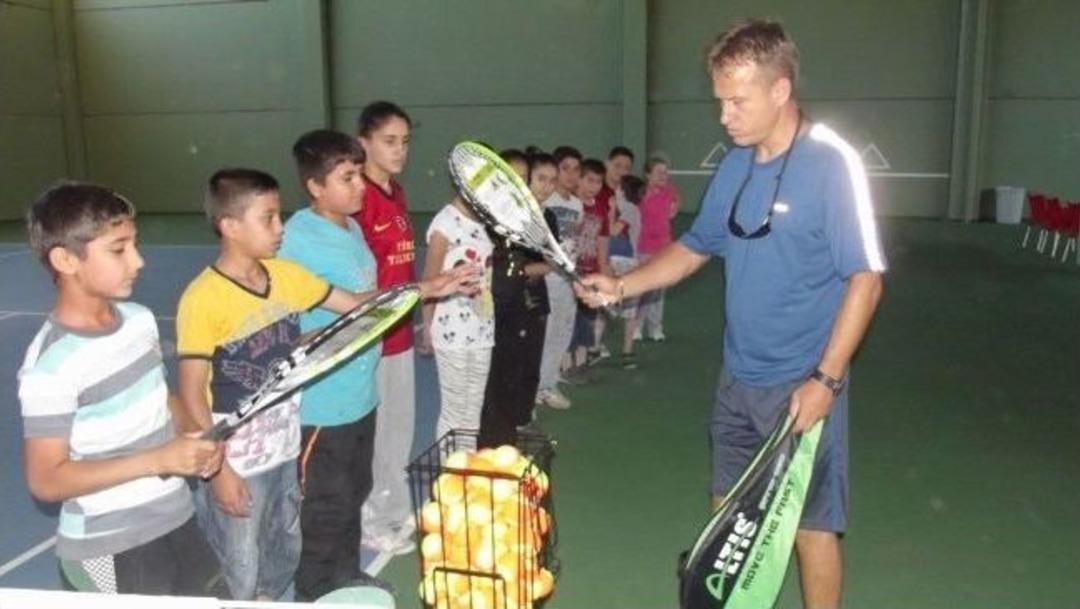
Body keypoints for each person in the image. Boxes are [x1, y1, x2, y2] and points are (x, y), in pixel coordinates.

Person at [577, 19, 885, 609]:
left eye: (737, 101)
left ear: (780, 90)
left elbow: (866, 280)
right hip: (738, 379)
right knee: (730, 519)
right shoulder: (736, 165)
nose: (725, 115)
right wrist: (620, 286)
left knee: (810, 528)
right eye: (720, 100)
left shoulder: (831, 164)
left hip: (803, 384)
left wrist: (826, 379)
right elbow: (695, 247)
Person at [176, 168, 474, 600]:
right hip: (238, 460)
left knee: (282, 556)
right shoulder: (202, 299)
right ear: (230, 226)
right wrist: (219, 470)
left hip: (283, 450)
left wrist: (427, 287)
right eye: (269, 218)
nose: (280, 228)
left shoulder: (285, 277)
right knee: (240, 567)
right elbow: (190, 392)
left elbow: (356, 307)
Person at [19, 182, 228, 596]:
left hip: (177, 520)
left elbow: (159, 398)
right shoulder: (50, 368)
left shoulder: (139, 320)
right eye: (119, 249)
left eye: (135, 244)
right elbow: (46, 480)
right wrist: (157, 459)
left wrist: (195, 437)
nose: (138, 260)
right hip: (110, 547)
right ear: (65, 259)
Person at [278, 131, 388, 595]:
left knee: (353, 493)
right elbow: (281, 321)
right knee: (325, 503)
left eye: (360, 173)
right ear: (315, 187)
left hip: (361, 393)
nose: (361, 185)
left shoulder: (352, 225)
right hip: (323, 403)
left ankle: (345, 575)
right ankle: (316, 588)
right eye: (348, 177)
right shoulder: (295, 240)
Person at [353, 101, 419, 553]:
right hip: (372, 336)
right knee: (375, 434)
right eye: (389, 141)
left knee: (398, 428)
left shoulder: (395, 193)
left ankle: (392, 507)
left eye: (405, 142)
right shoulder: (359, 198)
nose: (400, 151)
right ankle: (372, 518)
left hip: (401, 331)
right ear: (365, 143)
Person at [478, 149, 555, 446]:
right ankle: (490, 440)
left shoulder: (538, 216)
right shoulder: (486, 217)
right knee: (494, 377)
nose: (518, 183)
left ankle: (510, 431)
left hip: (525, 307)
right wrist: (520, 270)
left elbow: (543, 261)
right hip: (492, 310)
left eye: (522, 177)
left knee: (519, 370)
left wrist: (523, 270)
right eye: (511, 176)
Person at [422, 195, 495, 439]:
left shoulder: (482, 221)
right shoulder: (445, 222)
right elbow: (429, 280)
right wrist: (427, 327)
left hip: (482, 328)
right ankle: (450, 473)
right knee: (455, 410)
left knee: (473, 410)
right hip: (451, 329)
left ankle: (466, 472)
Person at [536, 146, 584, 407]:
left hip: (568, 279)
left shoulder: (576, 204)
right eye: (565, 168)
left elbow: (573, 240)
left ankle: (548, 384)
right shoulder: (546, 202)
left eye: (576, 169)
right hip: (546, 278)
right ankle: (533, 387)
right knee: (544, 334)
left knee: (562, 334)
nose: (571, 174)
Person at [634, 156, 680, 342]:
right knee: (645, 289)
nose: (663, 175)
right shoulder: (640, 194)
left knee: (659, 290)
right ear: (647, 174)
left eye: (665, 172)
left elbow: (673, 211)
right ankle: (637, 326)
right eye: (659, 172)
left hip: (664, 248)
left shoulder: (671, 192)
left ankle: (655, 328)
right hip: (643, 246)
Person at [608, 174, 645, 369]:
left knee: (625, 309)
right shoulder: (630, 209)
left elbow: (613, 231)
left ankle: (625, 351)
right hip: (624, 261)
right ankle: (620, 351)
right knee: (621, 308)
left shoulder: (629, 209)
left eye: (618, 187)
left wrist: (612, 210)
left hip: (625, 262)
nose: (615, 190)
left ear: (623, 191)